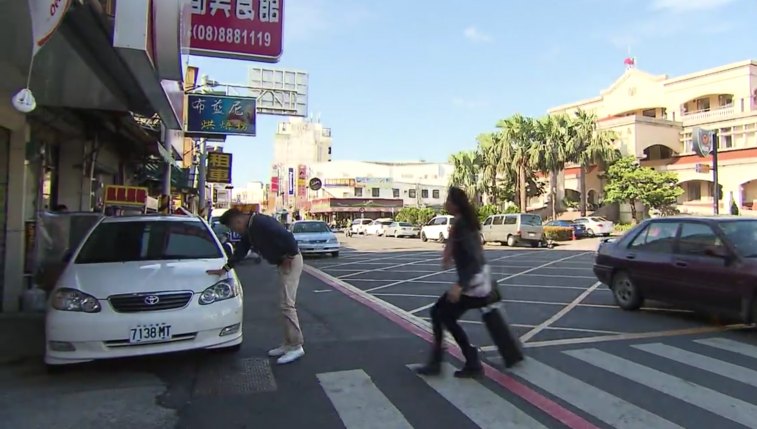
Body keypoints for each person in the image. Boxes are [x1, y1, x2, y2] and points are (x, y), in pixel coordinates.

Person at [206, 209, 305, 365]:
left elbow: (288, 237)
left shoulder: (261, 223)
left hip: (290, 262)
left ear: (238, 220)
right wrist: (225, 269)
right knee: (284, 305)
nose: (235, 231)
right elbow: (241, 251)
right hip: (283, 261)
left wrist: (289, 256)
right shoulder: (251, 229)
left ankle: (296, 346)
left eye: (233, 227)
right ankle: (288, 344)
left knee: (287, 305)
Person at [416, 187, 492, 378]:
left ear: (455, 204)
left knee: (441, 314)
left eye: (447, 200)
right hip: (474, 282)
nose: (445, 203)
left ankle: (459, 361)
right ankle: (464, 360)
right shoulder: (460, 223)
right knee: (442, 314)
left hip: (473, 285)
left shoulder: (463, 225)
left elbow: (475, 259)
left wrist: (460, 285)